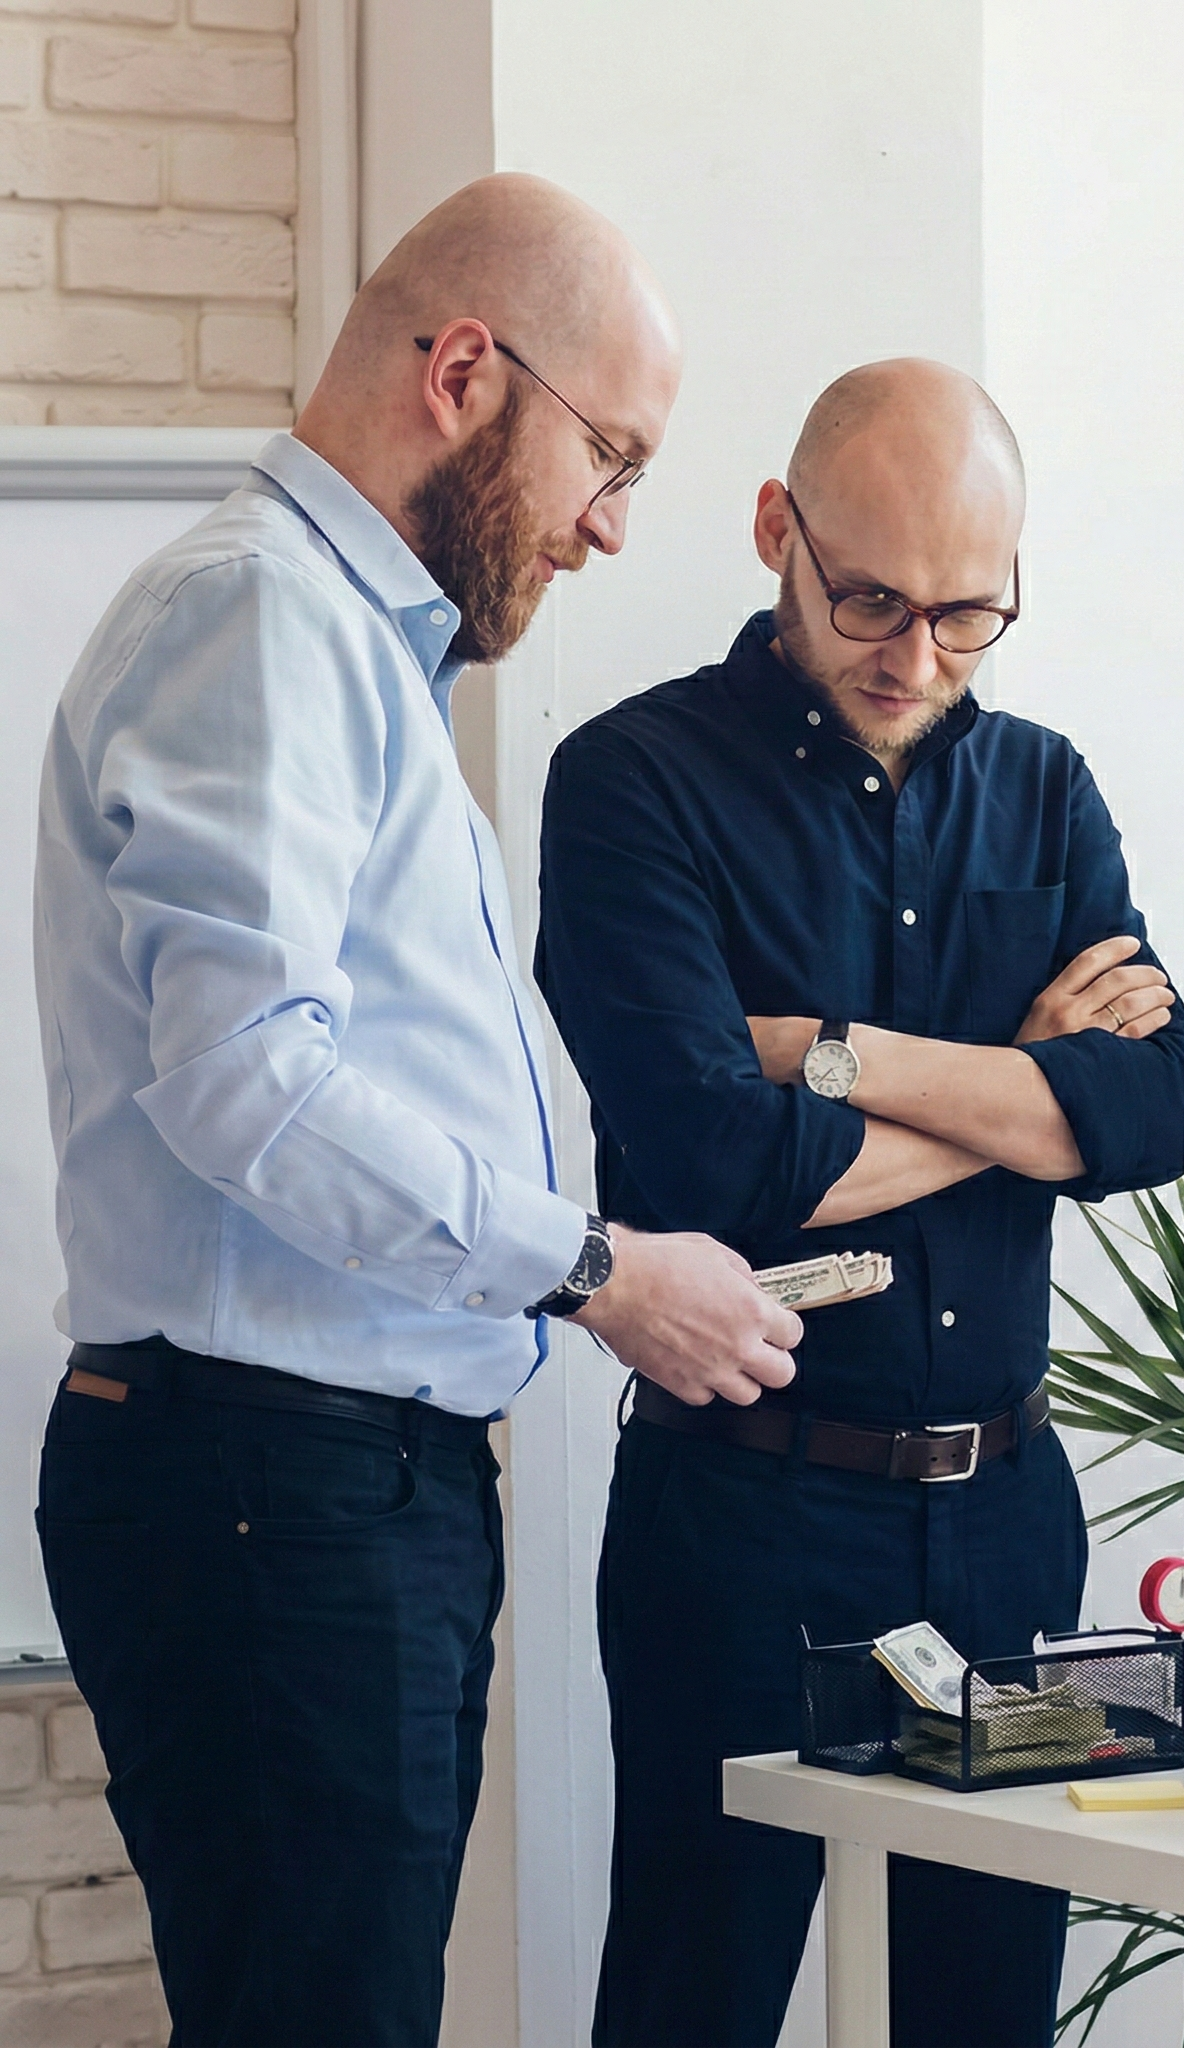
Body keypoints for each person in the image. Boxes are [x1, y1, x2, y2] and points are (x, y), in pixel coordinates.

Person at [33, 174, 803, 2048]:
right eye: (605, 456)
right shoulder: (268, 624)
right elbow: (247, 1077)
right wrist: (597, 1268)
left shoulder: (349, 645)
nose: (613, 525)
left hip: (309, 1492)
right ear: (465, 369)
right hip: (275, 1493)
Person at [536, 357, 1184, 2048]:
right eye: (871, 603)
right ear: (778, 530)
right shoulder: (630, 784)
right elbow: (705, 1170)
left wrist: (832, 1057)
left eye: (971, 616)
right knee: (695, 1998)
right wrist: (1016, 1086)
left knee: (981, 2017)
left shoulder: (1043, 786)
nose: (917, 661)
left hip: (1003, 1520)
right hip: (742, 1517)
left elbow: (1153, 1108)